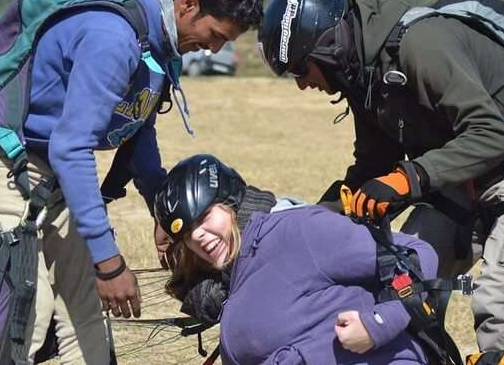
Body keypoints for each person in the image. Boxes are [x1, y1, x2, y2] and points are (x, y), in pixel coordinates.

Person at [256, 0, 504, 362]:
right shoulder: (366, 76)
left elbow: (493, 134)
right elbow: (372, 167)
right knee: (402, 284)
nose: (303, 85)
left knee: (495, 303)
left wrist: (407, 180)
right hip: (462, 182)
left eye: (299, 70)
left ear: (325, 47)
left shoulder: (419, 46)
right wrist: (313, 218)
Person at [0, 0, 264, 363]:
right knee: (24, 309)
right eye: (217, 35)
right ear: (189, 4)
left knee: (86, 312)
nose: (214, 49)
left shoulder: (160, 44)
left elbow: (138, 131)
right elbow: (71, 146)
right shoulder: (114, 38)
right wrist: (109, 264)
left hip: (50, 172)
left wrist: (162, 212)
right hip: (2, 160)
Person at [154, 154, 439, 365]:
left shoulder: (298, 230)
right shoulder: (233, 279)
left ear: (230, 203)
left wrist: (377, 323)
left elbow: (414, 256)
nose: (200, 237)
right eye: (189, 233)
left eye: (205, 218)